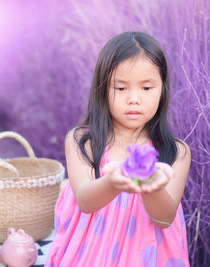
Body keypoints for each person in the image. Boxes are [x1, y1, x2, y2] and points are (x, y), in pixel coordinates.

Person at [45, 31, 191, 267]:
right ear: (102, 89)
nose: (134, 98)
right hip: (89, 258)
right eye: (121, 88)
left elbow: (164, 219)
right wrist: (115, 181)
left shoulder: (175, 152)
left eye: (146, 88)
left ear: (162, 90)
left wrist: (149, 184)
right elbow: (85, 201)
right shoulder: (83, 142)